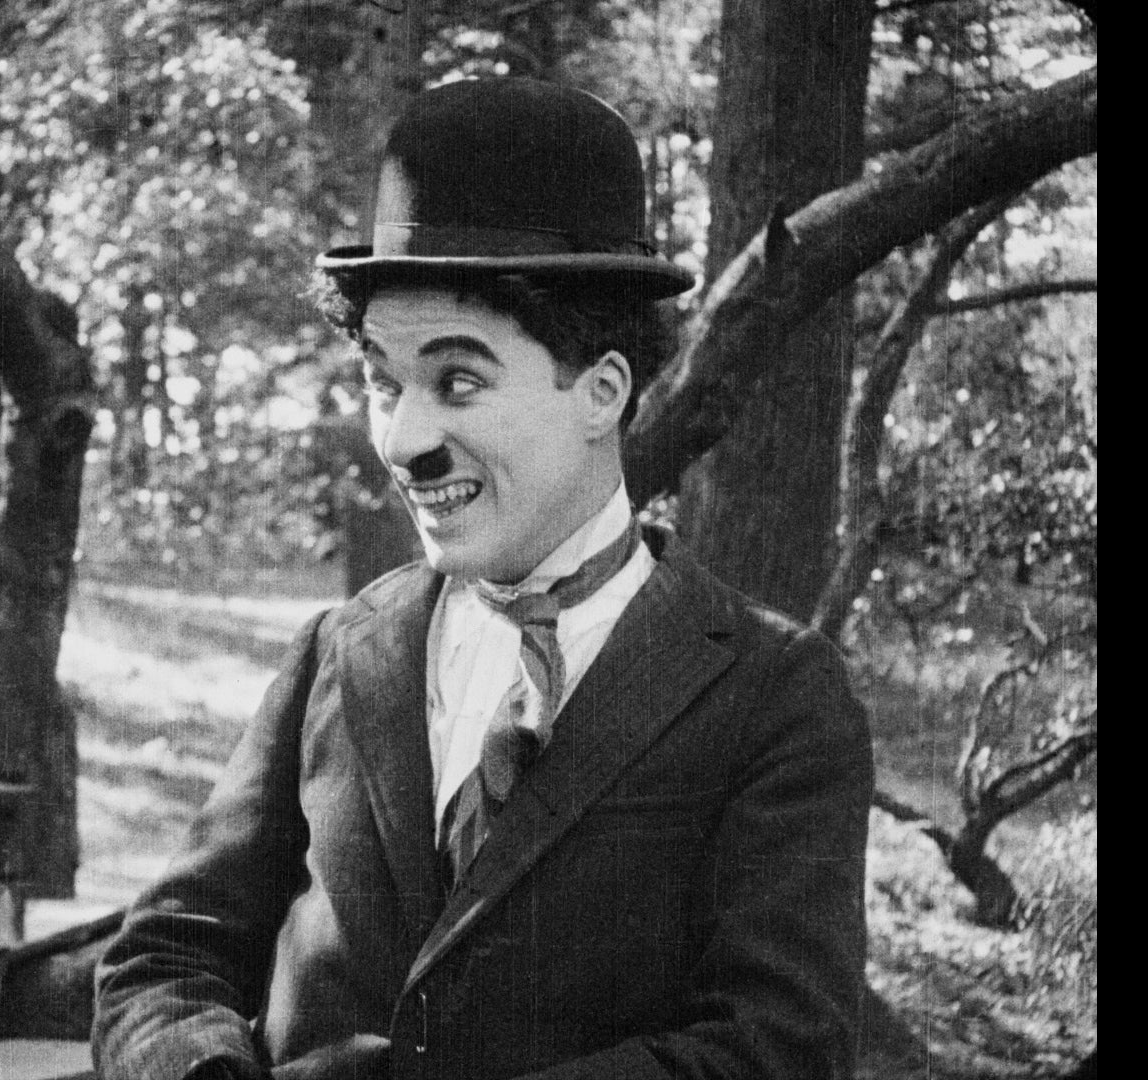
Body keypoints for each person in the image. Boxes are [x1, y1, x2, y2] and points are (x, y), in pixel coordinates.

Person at [93, 77, 873, 1080]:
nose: (403, 440)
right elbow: (165, 959)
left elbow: (782, 1049)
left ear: (601, 392)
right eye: (383, 382)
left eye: (457, 381)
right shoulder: (341, 653)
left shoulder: (773, 695)